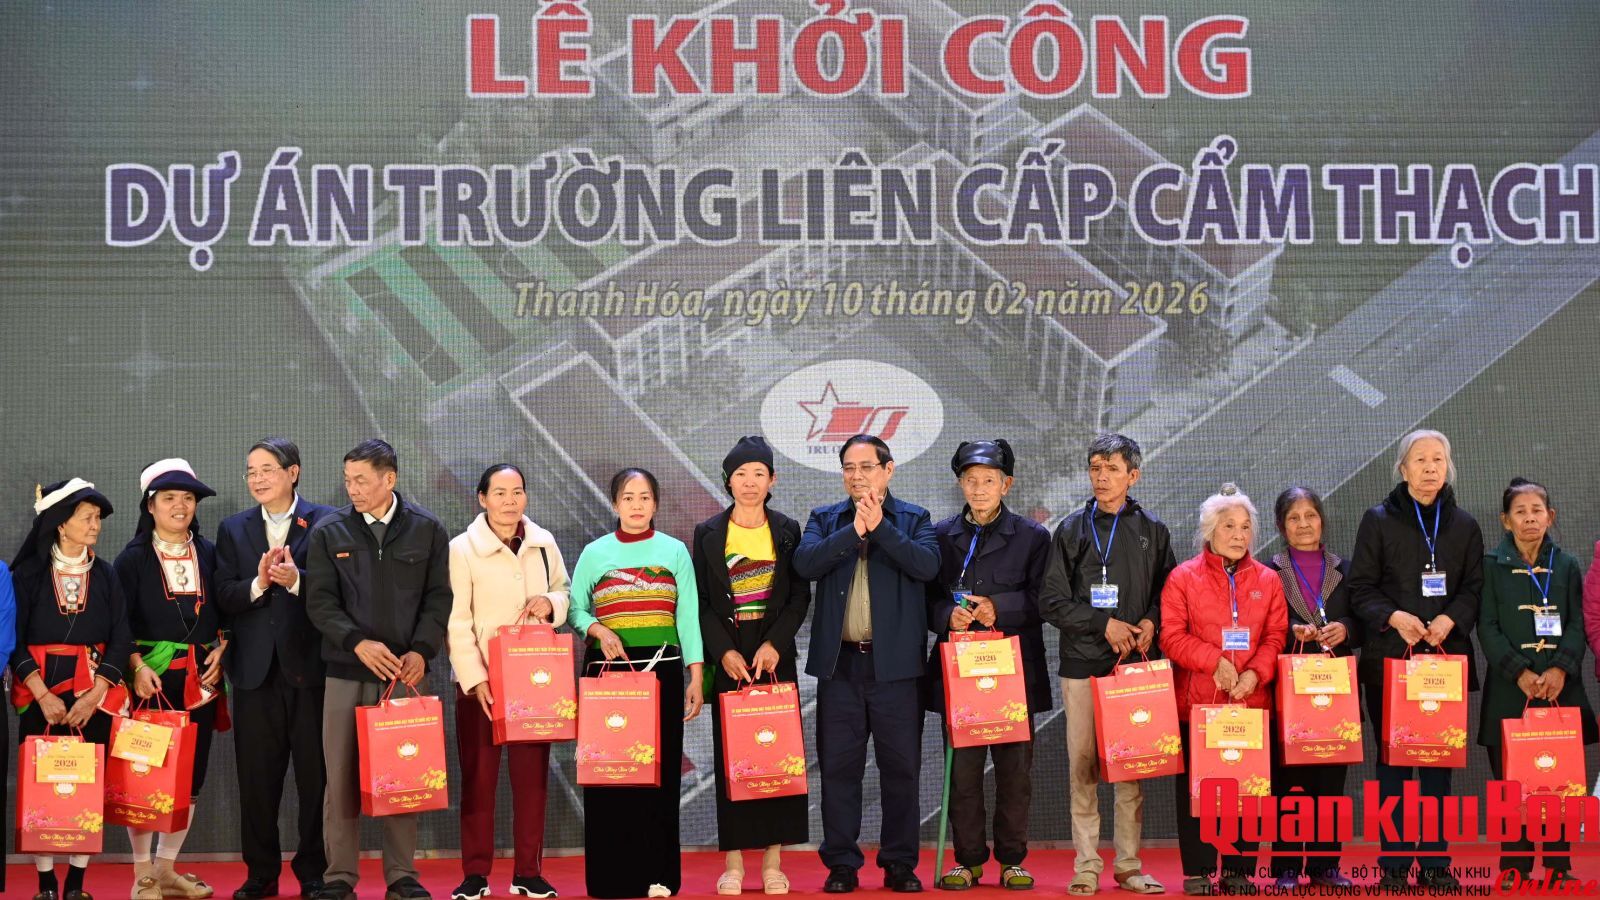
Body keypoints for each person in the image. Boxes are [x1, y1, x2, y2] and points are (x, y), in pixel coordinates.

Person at [305, 439, 452, 900]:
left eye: (361, 480)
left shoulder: (427, 529)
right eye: (348, 480)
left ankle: (402, 876)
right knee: (340, 778)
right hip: (345, 672)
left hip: (404, 676)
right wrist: (356, 642)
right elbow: (320, 603)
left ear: (389, 479)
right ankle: (339, 878)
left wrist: (422, 651)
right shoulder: (329, 532)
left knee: (404, 776)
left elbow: (438, 598)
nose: (352, 489)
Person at [794, 434, 940, 895]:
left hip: (896, 671)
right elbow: (805, 564)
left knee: (902, 771)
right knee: (839, 771)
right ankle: (842, 863)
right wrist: (855, 530)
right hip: (840, 669)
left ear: (888, 469)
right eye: (849, 468)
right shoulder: (825, 519)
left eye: (866, 467)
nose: (857, 476)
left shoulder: (914, 519)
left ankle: (900, 863)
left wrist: (880, 528)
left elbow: (927, 566)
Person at [1037, 433, 1173, 897]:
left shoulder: (1153, 530)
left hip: (1133, 668)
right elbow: (1051, 600)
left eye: (1112, 468)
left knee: (1131, 769)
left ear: (1133, 476)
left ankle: (1129, 865)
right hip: (1082, 664)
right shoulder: (1071, 529)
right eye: (1095, 467)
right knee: (1084, 767)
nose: (1101, 476)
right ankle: (1087, 865)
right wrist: (1103, 624)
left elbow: (1169, 591)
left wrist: (1152, 620)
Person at [1349, 429, 1482, 892]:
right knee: (1393, 769)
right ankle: (1392, 866)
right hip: (1390, 663)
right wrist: (1394, 617)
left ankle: (1435, 864)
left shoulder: (1464, 525)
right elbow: (1360, 588)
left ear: (1448, 467)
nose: (1430, 468)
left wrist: (1450, 619)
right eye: (1420, 459)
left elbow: (1474, 588)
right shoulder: (1378, 520)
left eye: (1438, 459)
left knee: (1438, 768)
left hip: (1444, 661)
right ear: (1403, 468)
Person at [568, 468, 705, 899]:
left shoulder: (675, 551)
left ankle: (658, 875)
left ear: (655, 503)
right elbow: (574, 609)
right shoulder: (594, 553)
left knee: (658, 775)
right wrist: (597, 629)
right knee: (610, 774)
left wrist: (696, 674)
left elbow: (688, 616)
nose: (637, 505)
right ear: (615, 504)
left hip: (663, 673)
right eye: (628, 497)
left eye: (645, 497)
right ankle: (611, 878)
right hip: (608, 673)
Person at [924, 440, 1050, 892]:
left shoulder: (1033, 537)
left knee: (1014, 774)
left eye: (989, 481)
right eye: (971, 480)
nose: (979, 489)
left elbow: (1045, 600)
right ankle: (968, 861)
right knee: (963, 774)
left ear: (1006, 485)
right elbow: (924, 599)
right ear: (960, 484)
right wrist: (946, 614)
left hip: (1013, 676)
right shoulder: (939, 536)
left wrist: (1001, 608)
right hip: (961, 676)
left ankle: (1012, 860)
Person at [214, 438, 335, 900]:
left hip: (311, 671)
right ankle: (261, 873)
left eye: (267, 469)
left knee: (315, 779)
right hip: (254, 673)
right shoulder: (233, 528)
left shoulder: (326, 521)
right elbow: (224, 594)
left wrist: (297, 580)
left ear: (293, 472)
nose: (257, 479)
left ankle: (313, 872)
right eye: (251, 471)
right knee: (256, 781)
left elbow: (340, 589)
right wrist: (259, 583)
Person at [447, 464, 571, 900]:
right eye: (499, 493)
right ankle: (475, 874)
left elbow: (565, 592)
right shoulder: (462, 548)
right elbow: (456, 621)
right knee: (478, 780)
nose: (509, 501)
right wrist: (475, 679)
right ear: (482, 498)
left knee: (532, 781)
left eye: (517, 491)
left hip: (533, 681)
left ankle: (528, 872)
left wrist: (551, 602)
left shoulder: (543, 542)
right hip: (481, 684)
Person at [694, 437, 812, 896]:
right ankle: (734, 864)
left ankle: (773, 862)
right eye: (741, 474)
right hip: (731, 658)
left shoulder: (787, 529)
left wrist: (775, 644)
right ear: (728, 482)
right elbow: (703, 601)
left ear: (772, 480)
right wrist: (723, 651)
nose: (749, 482)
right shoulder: (708, 532)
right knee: (735, 760)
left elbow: (799, 596)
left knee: (775, 757)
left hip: (773, 657)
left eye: (758, 474)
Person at [1159, 483, 1287, 897]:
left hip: (1250, 701)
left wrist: (1254, 675)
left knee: (1246, 791)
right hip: (1197, 702)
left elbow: (1276, 636)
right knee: (1197, 793)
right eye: (1229, 525)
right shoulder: (1182, 578)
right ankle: (1198, 870)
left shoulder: (1268, 580)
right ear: (1209, 530)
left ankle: (1239, 870)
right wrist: (1214, 661)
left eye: (1245, 526)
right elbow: (1170, 636)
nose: (1238, 534)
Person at [11, 479, 134, 900]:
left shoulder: (107, 574)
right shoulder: (27, 575)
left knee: (86, 784)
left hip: (91, 693)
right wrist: (42, 694)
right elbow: (14, 640)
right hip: (39, 691)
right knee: (42, 783)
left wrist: (96, 693)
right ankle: (46, 884)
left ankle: (76, 885)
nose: (96, 524)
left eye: (98, 518)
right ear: (61, 524)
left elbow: (121, 636)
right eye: (87, 517)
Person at [113, 459, 225, 900]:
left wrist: (224, 647)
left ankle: (166, 869)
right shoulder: (132, 559)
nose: (180, 506)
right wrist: (137, 667)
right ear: (150, 506)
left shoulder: (210, 553)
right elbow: (118, 624)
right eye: (169, 498)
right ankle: (142, 872)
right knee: (145, 774)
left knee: (189, 779)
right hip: (149, 681)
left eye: (188, 497)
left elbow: (228, 609)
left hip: (199, 680)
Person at [1477, 478, 1596, 889]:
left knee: (1558, 784)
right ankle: (1515, 865)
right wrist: (1520, 672)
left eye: (1537, 510)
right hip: (1510, 690)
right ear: (1505, 520)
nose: (1530, 518)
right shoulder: (1490, 565)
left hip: (1561, 690)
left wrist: (1560, 669)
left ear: (1551, 516)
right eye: (1520, 512)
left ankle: (1559, 866)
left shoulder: (1567, 564)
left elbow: (1579, 624)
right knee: (1512, 788)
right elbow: (1487, 626)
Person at [1264, 487, 1360, 890]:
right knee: (1289, 783)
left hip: (1336, 691)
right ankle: (1286, 866)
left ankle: (1325, 865)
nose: (1304, 524)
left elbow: (1364, 618)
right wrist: (1292, 631)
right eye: (1294, 518)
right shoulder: (1267, 571)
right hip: (1289, 690)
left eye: (1311, 516)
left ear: (1322, 520)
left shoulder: (1346, 569)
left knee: (1330, 782)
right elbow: (1260, 624)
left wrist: (1346, 629)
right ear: (1281, 526)